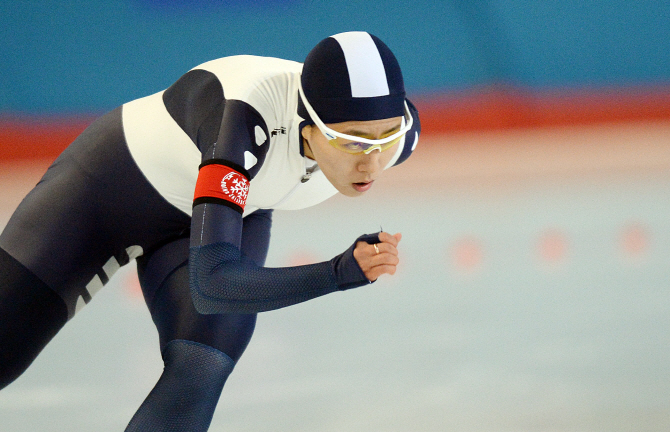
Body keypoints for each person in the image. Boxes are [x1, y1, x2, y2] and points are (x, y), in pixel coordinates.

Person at [0, 31, 420, 431]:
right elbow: (213, 283)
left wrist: (376, 140)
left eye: (386, 138)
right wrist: (336, 273)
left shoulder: (395, 135)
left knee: (202, 361)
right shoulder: (243, 118)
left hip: (226, 214)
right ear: (306, 127)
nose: (371, 162)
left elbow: (383, 136)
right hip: (107, 190)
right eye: (352, 142)